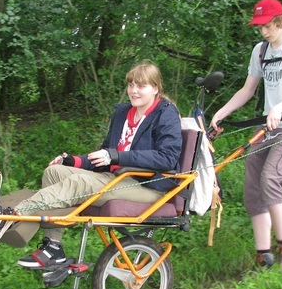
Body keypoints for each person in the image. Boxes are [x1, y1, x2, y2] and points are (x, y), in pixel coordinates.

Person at [13, 61, 182, 270]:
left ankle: (14, 213)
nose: (134, 91)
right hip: (117, 178)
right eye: (131, 85)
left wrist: (117, 156)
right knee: (54, 172)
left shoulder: (165, 114)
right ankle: (53, 248)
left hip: (149, 186)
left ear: (155, 88)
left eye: (141, 86)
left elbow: (167, 158)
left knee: (79, 182)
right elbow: (104, 156)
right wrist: (72, 160)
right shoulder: (122, 114)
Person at [209, 0, 282, 272]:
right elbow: (248, 90)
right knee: (253, 186)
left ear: (281, 21)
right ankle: (263, 254)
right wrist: (222, 113)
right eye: (260, 28)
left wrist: (278, 108)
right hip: (268, 126)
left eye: (267, 26)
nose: (264, 32)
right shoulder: (260, 51)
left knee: (271, 178)